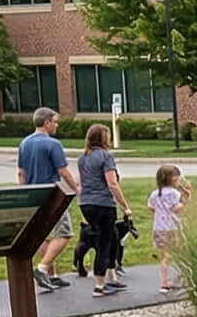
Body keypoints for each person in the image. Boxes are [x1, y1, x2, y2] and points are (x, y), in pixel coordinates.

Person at [16, 108, 75, 290]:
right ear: (47, 122)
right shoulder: (53, 144)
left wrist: (24, 192)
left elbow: (21, 172)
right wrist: (76, 188)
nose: (56, 125)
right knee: (64, 233)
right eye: (55, 122)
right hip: (52, 193)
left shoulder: (24, 143)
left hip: (33, 194)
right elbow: (62, 171)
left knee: (43, 235)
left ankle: (52, 275)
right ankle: (42, 268)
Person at [72, 124, 131, 297]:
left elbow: (82, 182)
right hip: (103, 204)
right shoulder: (106, 157)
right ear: (103, 138)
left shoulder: (83, 157)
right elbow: (112, 183)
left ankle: (111, 277)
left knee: (113, 237)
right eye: (108, 135)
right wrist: (125, 206)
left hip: (86, 204)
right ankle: (99, 285)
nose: (110, 138)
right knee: (104, 243)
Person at [149, 163, 187, 292]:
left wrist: (160, 212)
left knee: (165, 256)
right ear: (172, 178)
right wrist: (185, 200)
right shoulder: (174, 193)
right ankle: (184, 279)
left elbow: (151, 207)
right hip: (172, 228)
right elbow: (176, 208)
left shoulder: (155, 193)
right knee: (181, 254)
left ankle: (164, 284)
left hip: (159, 228)